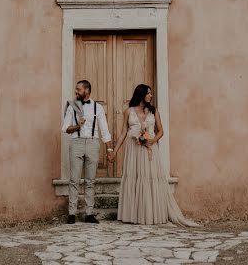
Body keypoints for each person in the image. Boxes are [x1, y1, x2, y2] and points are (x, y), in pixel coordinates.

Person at [109, 84, 198, 226]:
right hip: (134, 150)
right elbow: (123, 133)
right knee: (136, 178)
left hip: (150, 149)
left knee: (149, 178)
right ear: (141, 94)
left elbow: (161, 131)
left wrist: (152, 141)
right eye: (149, 93)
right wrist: (114, 151)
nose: (151, 96)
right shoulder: (128, 112)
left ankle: (150, 214)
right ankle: (134, 215)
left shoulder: (154, 111)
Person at [62, 79, 112, 224]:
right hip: (76, 142)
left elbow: (105, 130)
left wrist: (109, 149)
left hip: (92, 143)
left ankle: (89, 214)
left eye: (78, 89)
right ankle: (71, 214)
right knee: (74, 180)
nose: (76, 91)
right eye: (76, 89)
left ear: (87, 90)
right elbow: (65, 128)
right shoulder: (72, 107)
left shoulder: (98, 108)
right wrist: (78, 126)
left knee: (90, 181)